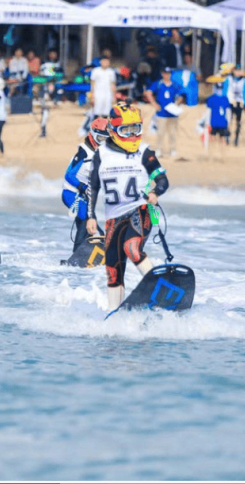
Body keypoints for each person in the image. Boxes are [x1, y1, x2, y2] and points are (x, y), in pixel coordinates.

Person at [86, 102, 169, 311]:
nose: (132, 135)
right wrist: (91, 216)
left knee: (132, 247)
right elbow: (93, 187)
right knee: (112, 268)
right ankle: (114, 312)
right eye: (126, 130)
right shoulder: (100, 154)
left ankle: (159, 287)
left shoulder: (144, 152)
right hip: (113, 218)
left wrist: (155, 192)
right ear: (113, 131)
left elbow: (163, 180)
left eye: (136, 129)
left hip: (140, 210)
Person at [62, 117, 110, 251]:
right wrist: (82, 187)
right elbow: (69, 175)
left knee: (92, 227)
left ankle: (86, 254)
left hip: (85, 197)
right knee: (86, 220)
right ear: (93, 134)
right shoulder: (83, 152)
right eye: (100, 138)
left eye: (105, 139)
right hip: (71, 193)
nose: (102, 142)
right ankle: (76, 256)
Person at [144, 66, 185, 158]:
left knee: (173, 133)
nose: (167, 75)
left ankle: (173, 149)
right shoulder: (158, 84)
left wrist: (177, 103)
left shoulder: (174, 85)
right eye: (165, 73)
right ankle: (159, 149)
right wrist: (154, 103)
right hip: (162, 113)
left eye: (169, 73)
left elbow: (180, 95)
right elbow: (148, 92)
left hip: (172, 113)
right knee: (160, 132)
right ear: (162, 74)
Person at [225, 66, 245, 146]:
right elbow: (225, 90)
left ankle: (236, 138)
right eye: (237, 71)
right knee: (229, 121)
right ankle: (227, 137)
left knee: (238, 122)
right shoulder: (228, 79)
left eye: (239, 71)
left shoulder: (244, 81)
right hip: (230, 103)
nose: (238, 72)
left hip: (239, 103)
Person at [90, 54, 117, 119]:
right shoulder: (95, 71)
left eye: (107, 62)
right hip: (98, 94)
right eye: (104, 61)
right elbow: (92, 84)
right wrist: (92, 96)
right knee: (97, 112)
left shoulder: (111, 72)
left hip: (108, 94)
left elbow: (113, 84)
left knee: (107, 113)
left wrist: (114, 96)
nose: (105, 63)